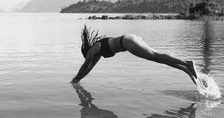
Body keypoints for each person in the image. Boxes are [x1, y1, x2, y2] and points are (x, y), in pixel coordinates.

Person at [71, 25, 200, 86]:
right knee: (158, 59)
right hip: (130, 39)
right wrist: (79, 79)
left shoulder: (93, 50)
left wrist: (75, 78)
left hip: (127, 42)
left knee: (156, 56)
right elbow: (90, 67)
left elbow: (86, 65)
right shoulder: (98, 51)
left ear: (87, 51)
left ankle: (187, 63)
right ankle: (186, 69)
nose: (89, 57)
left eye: (87, 55)